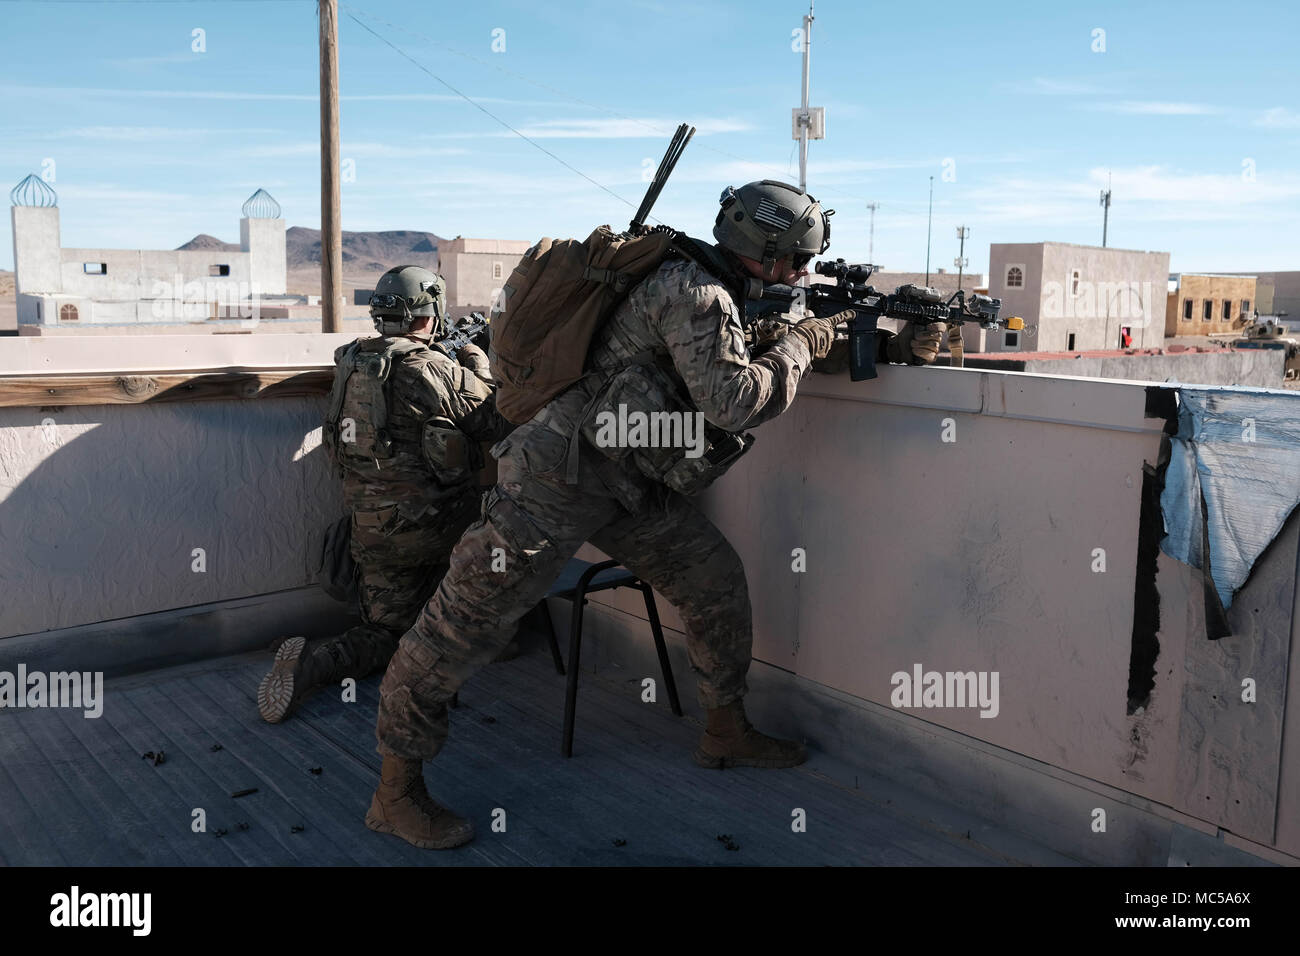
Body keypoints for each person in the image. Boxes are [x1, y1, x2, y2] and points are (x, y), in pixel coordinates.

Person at [365, 181, 947, 849]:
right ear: (766, 254)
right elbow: (734, 398)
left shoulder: (709, 286)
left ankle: (724, 728)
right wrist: (802, 345)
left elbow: (754, 343)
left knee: (713, 580)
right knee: (460, 622)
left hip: (620, 480)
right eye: (798, 261)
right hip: (555, 480)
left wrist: (895, 343)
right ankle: (394, 792)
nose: (804, 274)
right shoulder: (695, 292)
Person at [256, 265, 511, 724]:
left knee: (383, 630)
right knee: (505, 529)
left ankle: (312, 664)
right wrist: (475, 360)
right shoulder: (427, 367)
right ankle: (474, 641)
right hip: (435, 528)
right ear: (430, 312)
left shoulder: (352, 361)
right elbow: (495, 422)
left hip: (369, 531)